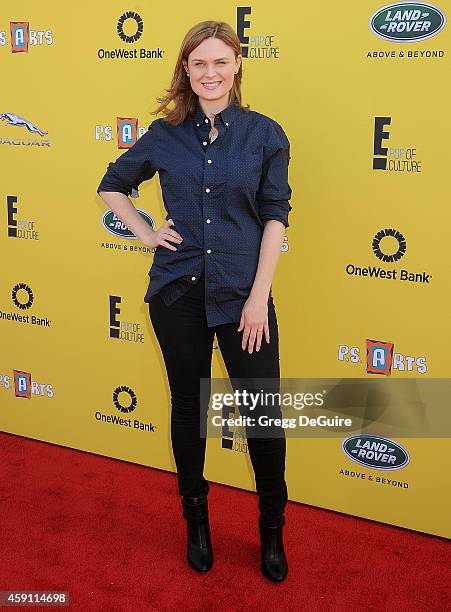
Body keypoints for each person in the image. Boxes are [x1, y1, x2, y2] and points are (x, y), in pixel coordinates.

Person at [97, 20, 293, 582]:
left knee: (263, 414)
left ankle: (271, 532)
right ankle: (197, 523)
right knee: (190, 407)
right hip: (177, 292)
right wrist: (144, 231)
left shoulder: (264, 134)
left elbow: (276, 218)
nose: (210, 73)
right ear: (186, 69)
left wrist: (258, 299)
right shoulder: (165, 134)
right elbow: (112, 183)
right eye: (198, 63)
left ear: (237, 67)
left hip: (242, 295)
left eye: (220, 62)